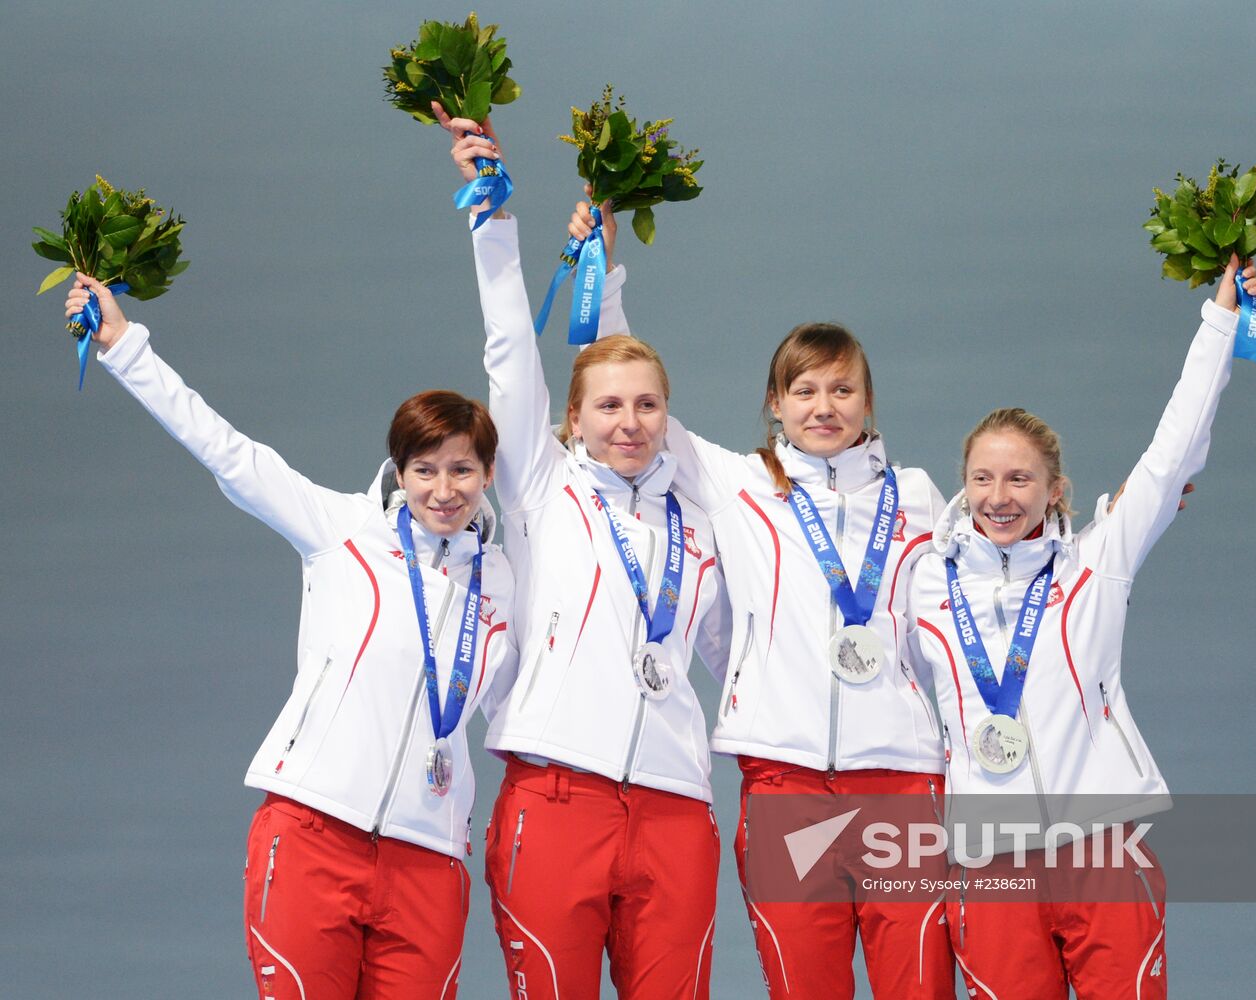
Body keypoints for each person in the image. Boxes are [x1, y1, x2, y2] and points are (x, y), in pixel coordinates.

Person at [63, 275, 518, 1000]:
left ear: (488, 473)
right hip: (313, 834)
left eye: (463, 468)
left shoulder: (502, 582)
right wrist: (123, 346)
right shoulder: (338, 529)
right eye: (424, 468)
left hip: (429, 857)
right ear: (399, 472)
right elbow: (229, 452)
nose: (443, 489)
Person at [564, 206, 957, 998]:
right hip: (783, 783)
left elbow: (999, 565)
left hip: (904, 782)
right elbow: (627, 381)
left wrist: (1113, 514)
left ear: (869, 404)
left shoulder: (916, 498)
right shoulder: (736, 484)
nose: (824, 405)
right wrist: (602, 273)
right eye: (803, 389)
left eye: (843, 388)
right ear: (773, 404)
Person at [908, 257, 1256, 999]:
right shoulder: (919, 585)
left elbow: (1173, 455)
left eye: (1020, 479)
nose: (999, 497)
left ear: (1054, 489)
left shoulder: (1097, 562)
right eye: (983, 478)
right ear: (961, 481)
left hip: (1102, 844)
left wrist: (1220, 318)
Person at [441, 109, 729, 1000]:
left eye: (647, 406)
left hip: (678, 804)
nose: (630, 422)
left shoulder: (702, 508)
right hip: (557, 796)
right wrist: (493, 213)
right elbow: (507, 351)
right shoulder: (537, 482)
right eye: (608, 407)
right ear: (573, 421)